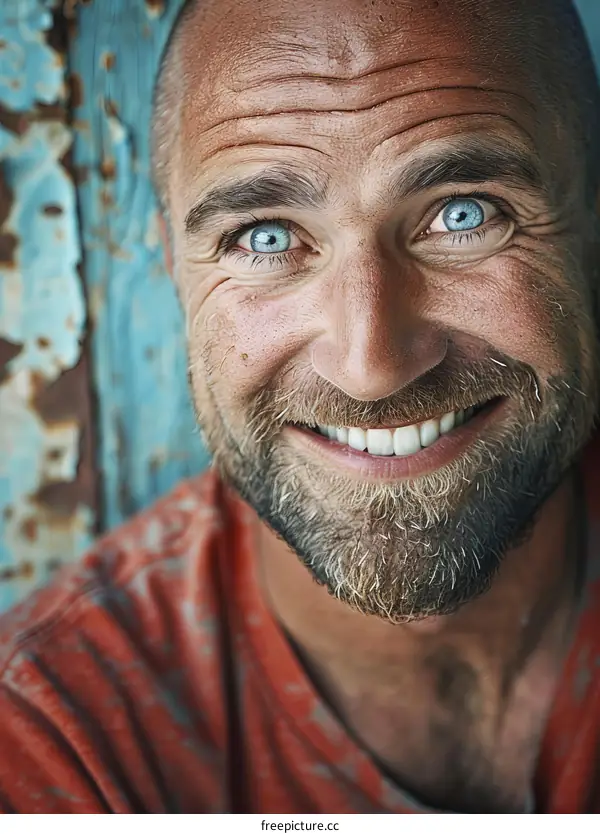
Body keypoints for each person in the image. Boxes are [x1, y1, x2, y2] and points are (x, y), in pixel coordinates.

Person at [0, 0, 599, 814]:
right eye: (265, 236)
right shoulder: (51, 742)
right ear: (175, 263)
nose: (369, 367)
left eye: (465, 214)